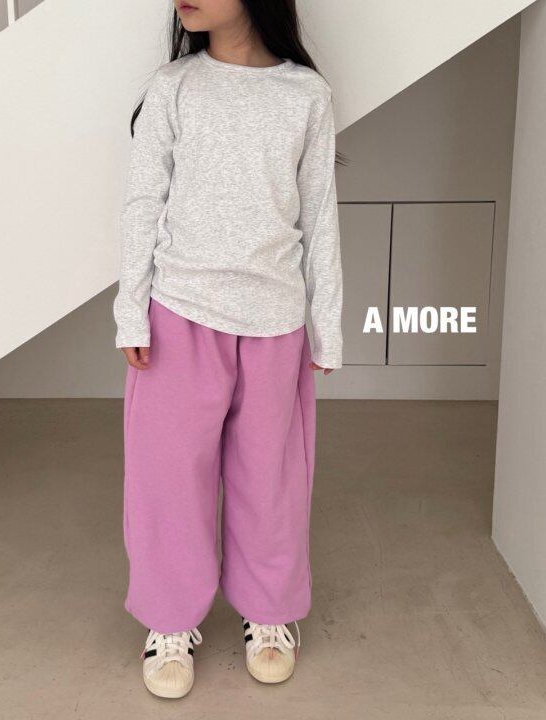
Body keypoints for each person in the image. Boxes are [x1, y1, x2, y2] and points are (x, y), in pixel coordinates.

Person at [113, 0, 343, 699]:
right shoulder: (174, 87)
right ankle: (170, 620)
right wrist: (131, 311)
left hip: (274, 322)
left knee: (270, 481)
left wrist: (326, 324)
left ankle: (269, 613)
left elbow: (320, 214)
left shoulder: (305, 95)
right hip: (180, 314)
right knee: (168, 480)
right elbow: (143, 203)